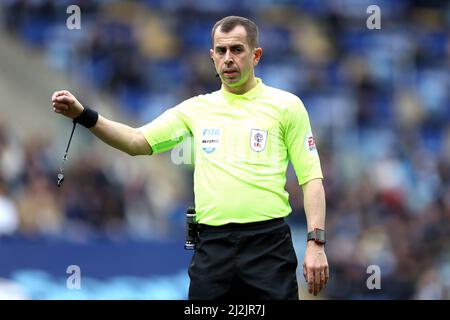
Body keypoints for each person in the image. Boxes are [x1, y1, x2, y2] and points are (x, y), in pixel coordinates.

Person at [51, 16, 328, 300]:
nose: (228, 59)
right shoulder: (196, 109)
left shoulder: (287, 106)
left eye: (237, 49)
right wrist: (83, 115)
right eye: (221, 51)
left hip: (268, 247)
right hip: (212, 247)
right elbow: (136, 141)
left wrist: (315, 244)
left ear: (256, 55)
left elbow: (311, 179)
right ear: (212, 56)